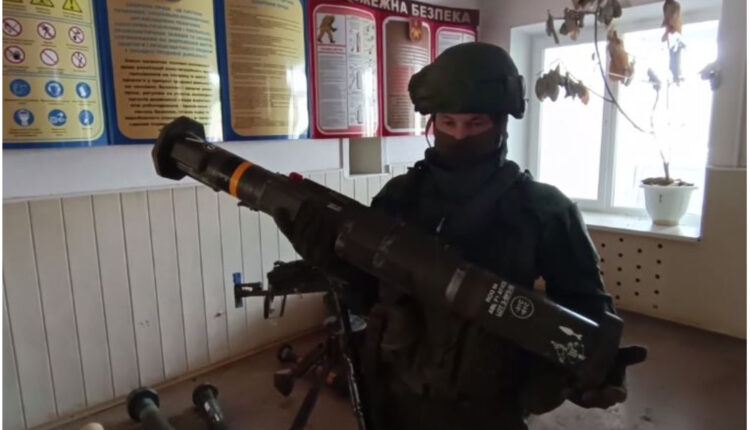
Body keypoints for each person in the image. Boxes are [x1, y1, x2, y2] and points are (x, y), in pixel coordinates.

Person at [275, 42, 645, 430]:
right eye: (448, 123)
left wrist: (594, 372)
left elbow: (587, 313)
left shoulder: (543, 210)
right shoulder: (400, 198)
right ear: (432, 123)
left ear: (501, 124)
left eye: (475, 124)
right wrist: (331, 261)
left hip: (491, 411)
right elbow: (370, 293)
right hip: (397, 399)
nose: (459, 136)